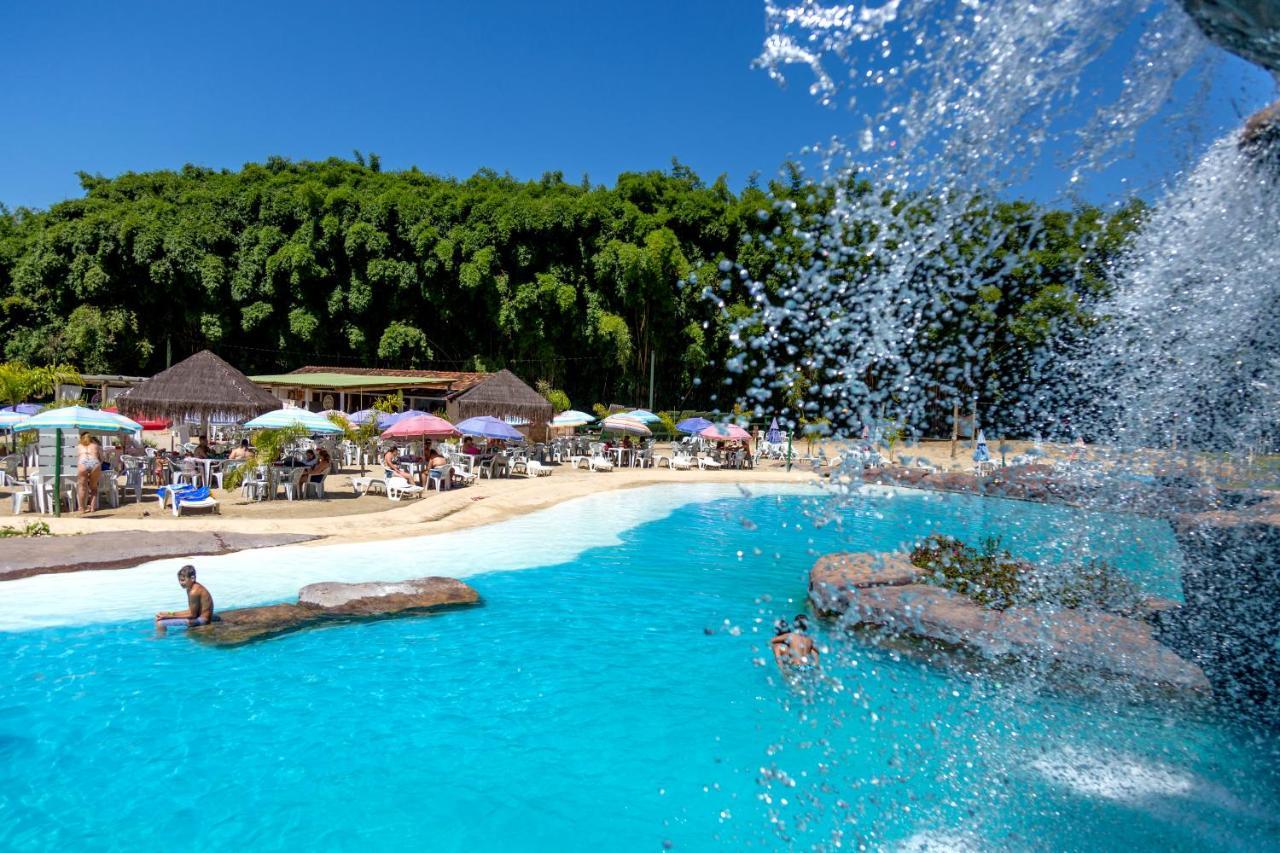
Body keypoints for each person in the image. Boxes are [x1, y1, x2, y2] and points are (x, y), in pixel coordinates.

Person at [155, 565, 215, 629]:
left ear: (192, 578)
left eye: (183, 580)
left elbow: (192, 614)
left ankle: (160, 638)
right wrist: (168, 613)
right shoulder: (190, 588)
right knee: (163, 617)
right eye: (179, 580)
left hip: (203, 620)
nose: (180, 583)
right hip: (198, 616)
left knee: (160, 623)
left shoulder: (194, 591)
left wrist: (167, 616)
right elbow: (192, 611)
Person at [76, 432, 103, 514]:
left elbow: (75, 459)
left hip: (82, 462)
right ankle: (92, 507)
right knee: (93, 487)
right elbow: (101, 459)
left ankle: (81, 508)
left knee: (82, 487)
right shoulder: (96, 446)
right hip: (94, 462)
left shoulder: (78, 447)